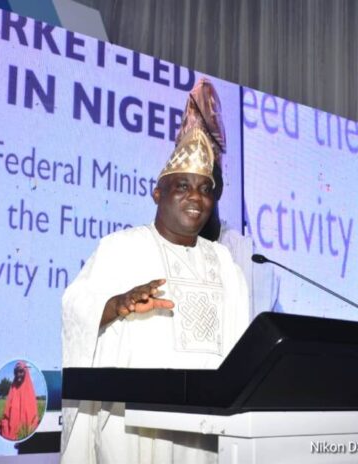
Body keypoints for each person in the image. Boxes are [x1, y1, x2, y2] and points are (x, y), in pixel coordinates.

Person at [61, 78, 250, 463]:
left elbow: (240, 352)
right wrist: (116, 304)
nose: (196, 197)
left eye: (205, 189)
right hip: (134, 427)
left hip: (205, 429)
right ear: (158, 193)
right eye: (183, 186)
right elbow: (75, 307)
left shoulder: (226, 264)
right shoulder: (123, 246)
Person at [0, 361, 39, 440]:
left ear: (26, 372)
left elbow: (34, 417)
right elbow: (6, 414)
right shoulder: (13, 389)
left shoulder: (30, 391)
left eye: (21, 372)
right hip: (12, 431)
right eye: (16, 372)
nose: (18, 375)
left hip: (26, 432)